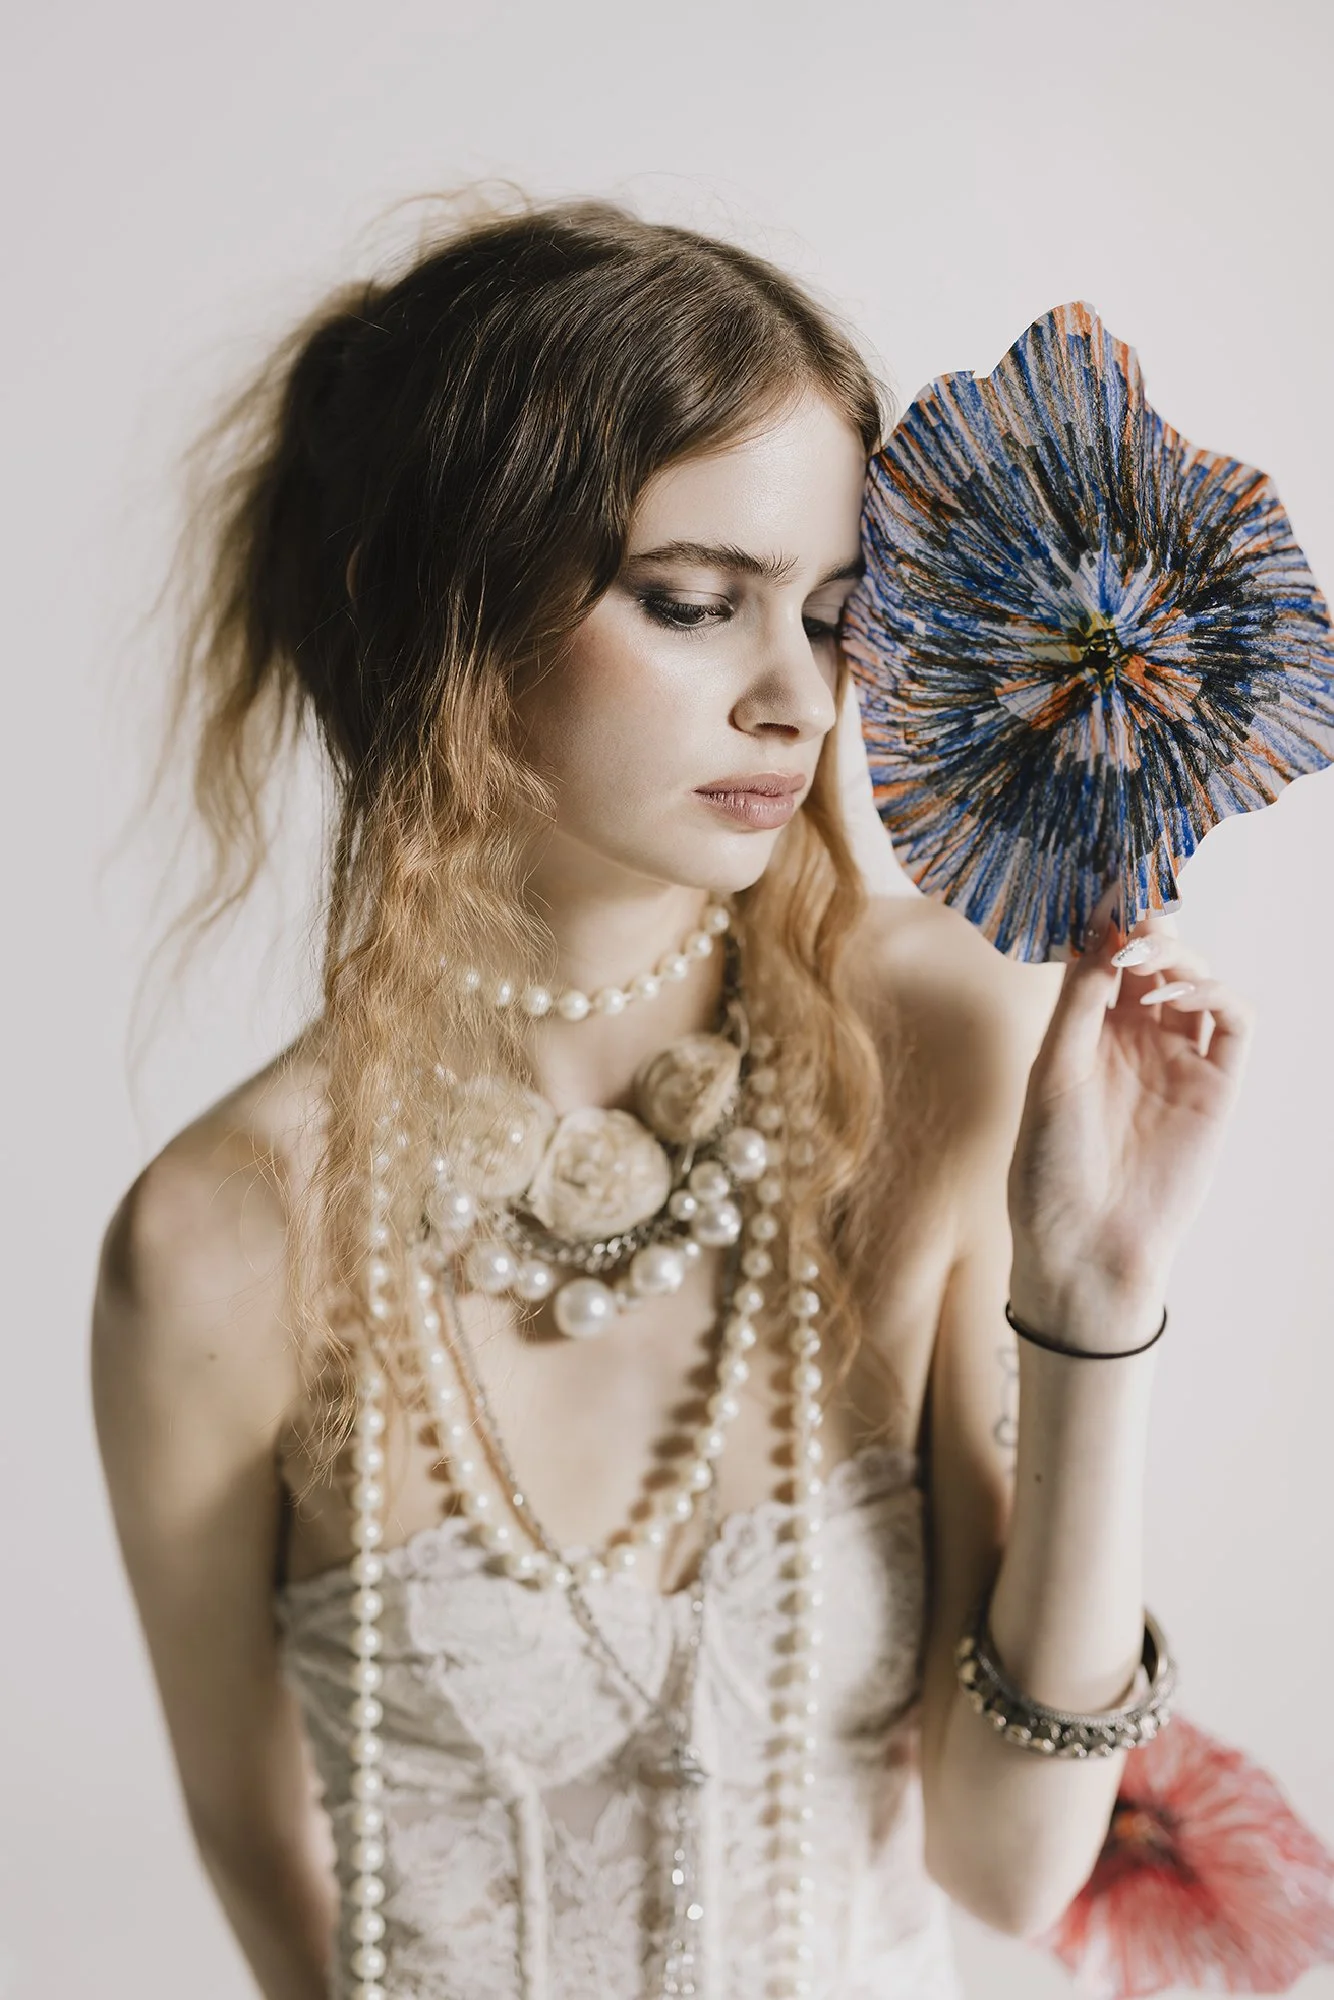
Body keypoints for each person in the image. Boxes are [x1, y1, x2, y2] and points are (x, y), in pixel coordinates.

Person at [90, 194, 1254, 2000]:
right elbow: (258, 1851)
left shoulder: (938, 1040)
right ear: (428, 604)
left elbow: (1010, 1871)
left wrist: (1091, 1309)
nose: (794, 696)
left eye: (834, 614)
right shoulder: (218, 1235)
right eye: (695, 605)